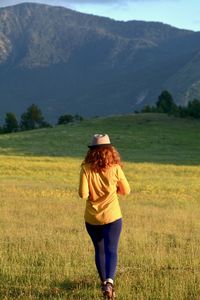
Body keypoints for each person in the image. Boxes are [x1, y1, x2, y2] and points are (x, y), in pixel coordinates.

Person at [79, 134, 130, 299]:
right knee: (111, 250)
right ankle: (110, 282)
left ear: (91, 151)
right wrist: (112, 191)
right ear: (110, 150)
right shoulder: (115, 168)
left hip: (92, 218)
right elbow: (126, 191)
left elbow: (83, 194)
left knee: (99, 250)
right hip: (112, 217)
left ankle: (104, 286)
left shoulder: (86, 168)